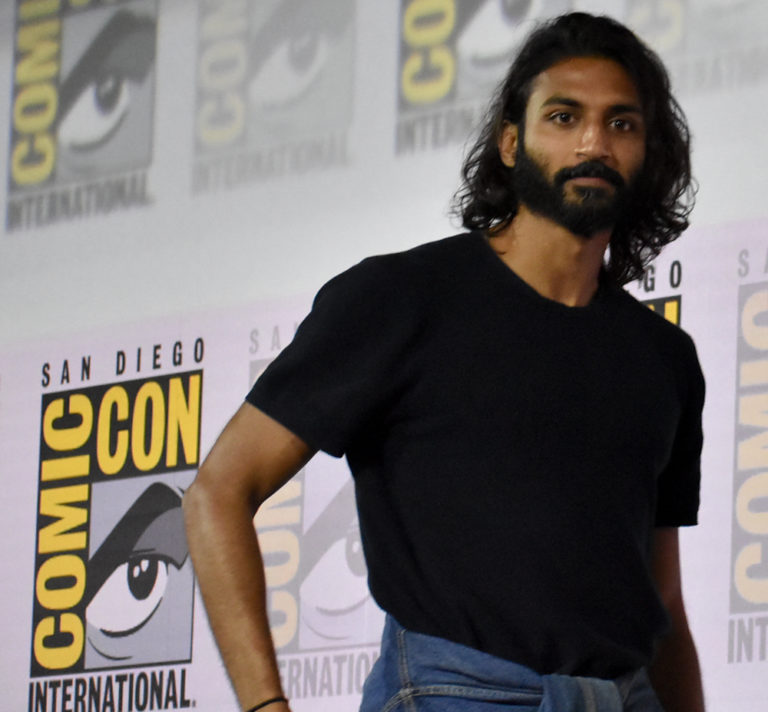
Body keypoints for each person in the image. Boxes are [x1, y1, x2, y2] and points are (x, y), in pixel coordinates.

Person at [183, 12, 706, 712]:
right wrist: (264, 706)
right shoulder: (400, 299)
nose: (593, 142)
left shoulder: (664, 360)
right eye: (563, 117)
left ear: (647, 151)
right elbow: (218, 490)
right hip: (456, 695)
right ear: (511, 142)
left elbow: (663, 599)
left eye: (622, 123)